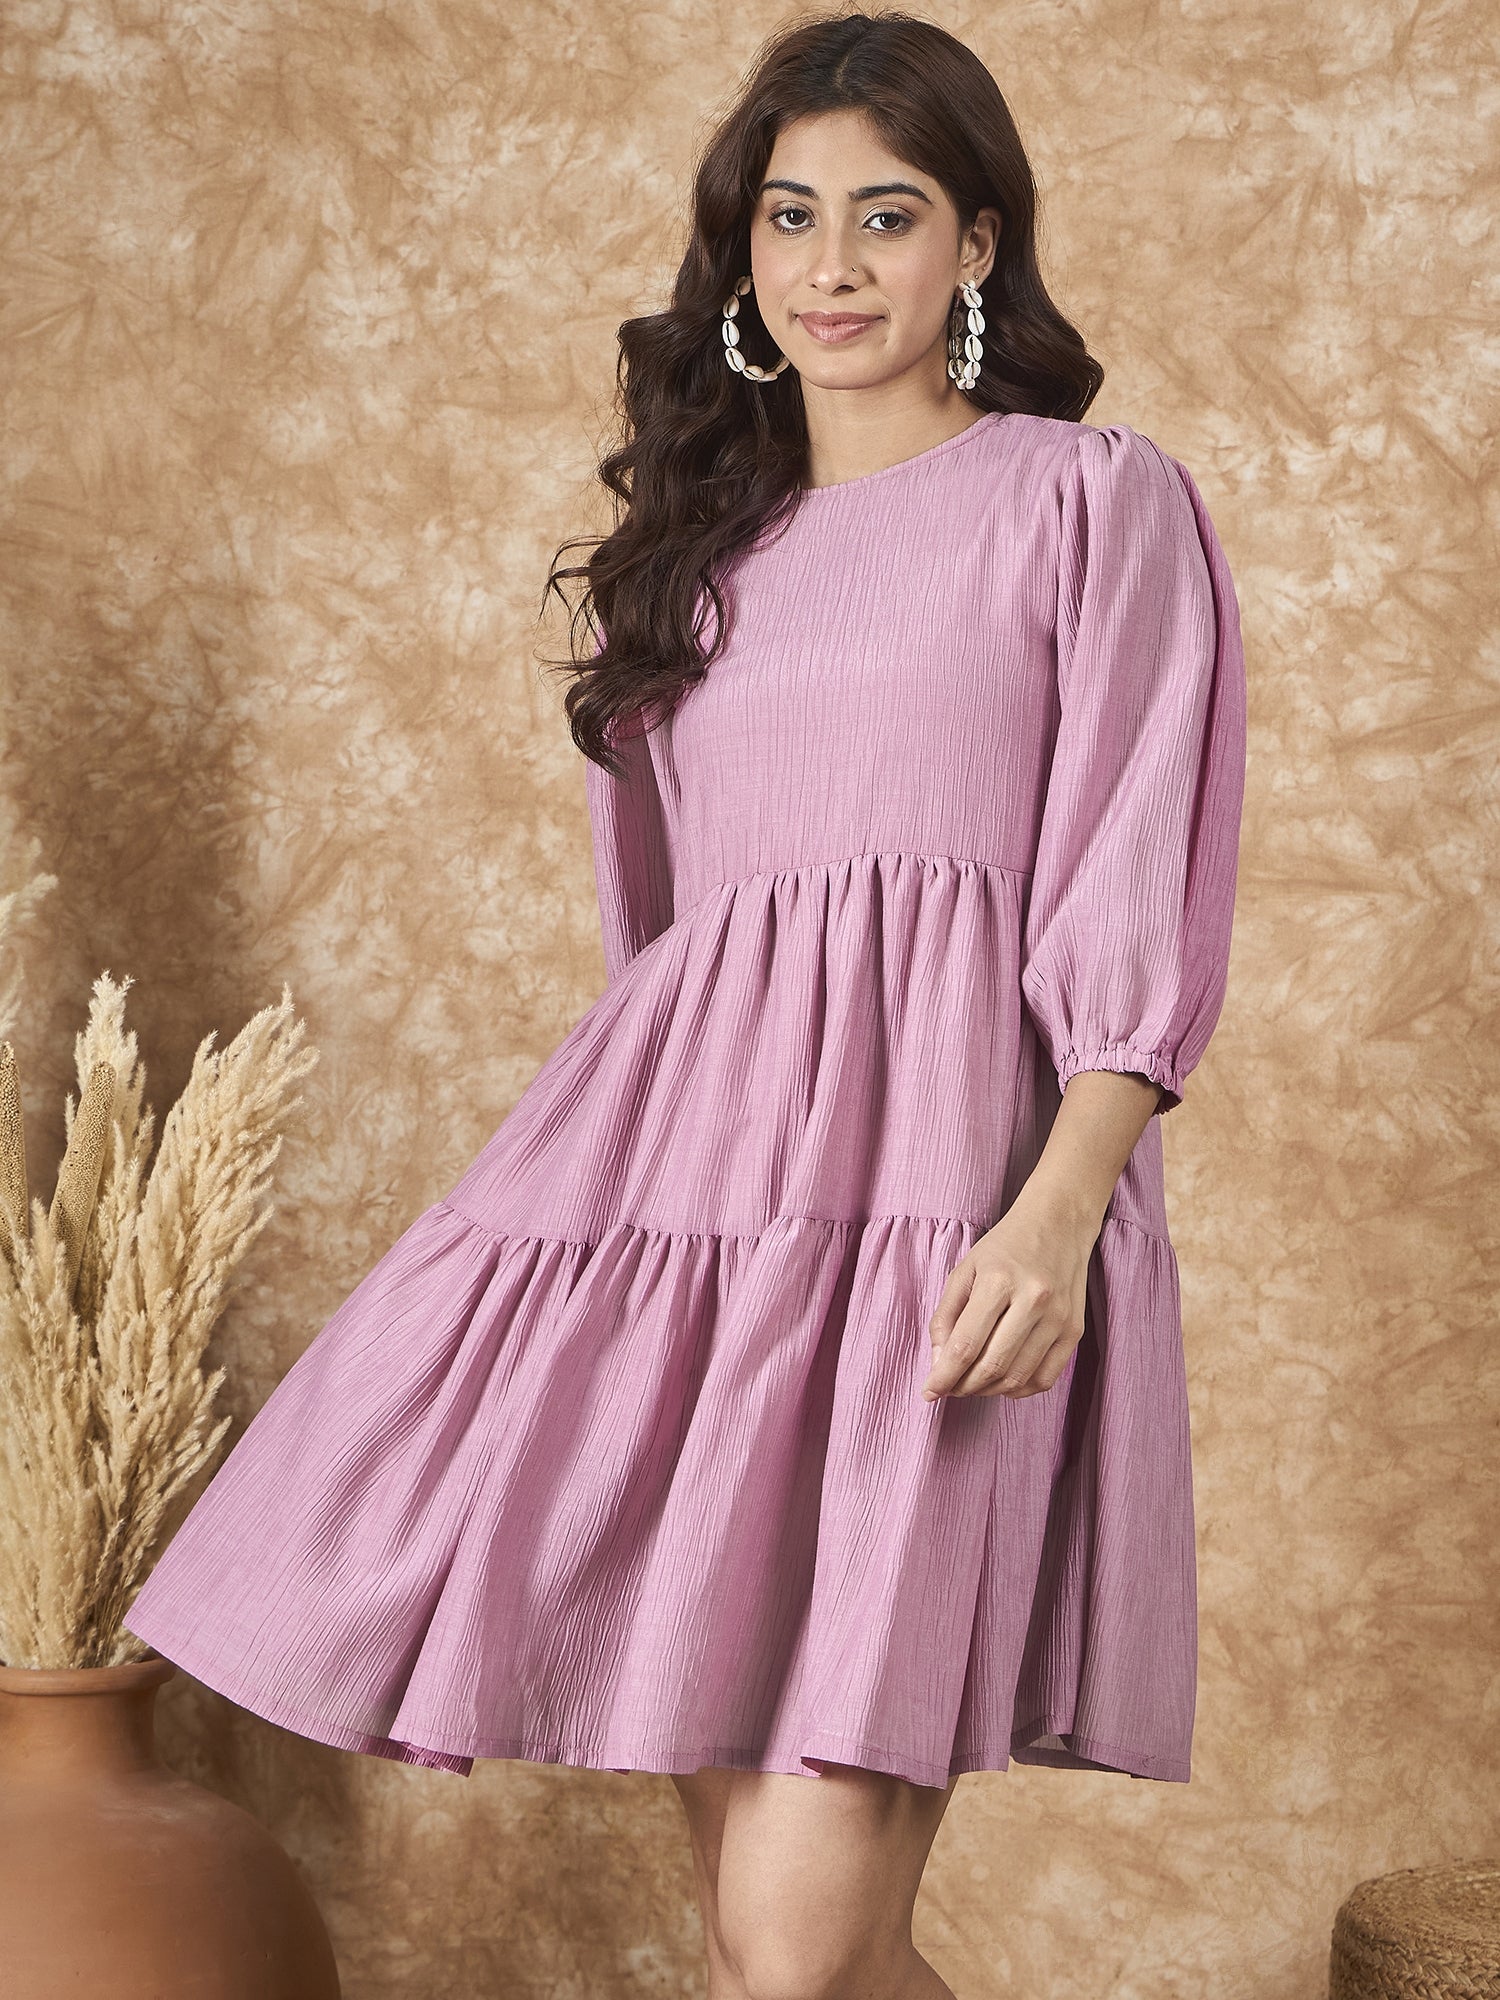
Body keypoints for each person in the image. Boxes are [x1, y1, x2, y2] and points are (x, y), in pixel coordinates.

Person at [124, 10, 1248, 1994]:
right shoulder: (695, 567)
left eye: (888, 216)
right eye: (791, 218)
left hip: (944, 1226)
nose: (834, 266)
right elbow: (671, 951)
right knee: (767, 1955)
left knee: (801, 1948)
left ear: (978, 245)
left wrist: (1059, 1213)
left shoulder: (1090, 501)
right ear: (741, 256)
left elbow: (1131, 879)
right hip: (696, 1240)